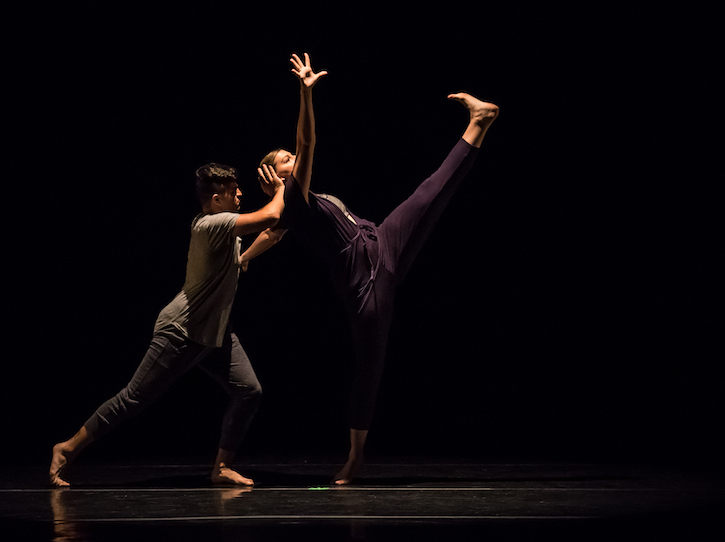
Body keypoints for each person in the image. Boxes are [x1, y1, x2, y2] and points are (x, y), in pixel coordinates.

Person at [240, 53, 499, 485]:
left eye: (288, 155)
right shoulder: (295, 200)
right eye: (284, 158)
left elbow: (273, 234)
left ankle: (480, 120)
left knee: (431, 191)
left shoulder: (294, 206)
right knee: (369, 366)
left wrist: (243, 260)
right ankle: (356, 456)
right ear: (277, 174)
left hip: (378, 239)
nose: (291, 155)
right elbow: (307, 145)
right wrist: (305, 95)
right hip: (367, 282)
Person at [49, 162, 285, 487]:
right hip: (182, 330)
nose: (241, 193)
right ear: (217, 199)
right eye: (233, 191)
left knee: (249, 391)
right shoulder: (211, 224)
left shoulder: (224, 228)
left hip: (214, 332)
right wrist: (281, 190)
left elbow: (269, 233)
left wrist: (286, 213)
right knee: (133, 398)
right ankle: (66, 448)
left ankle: (221, 467)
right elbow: (270, 216)